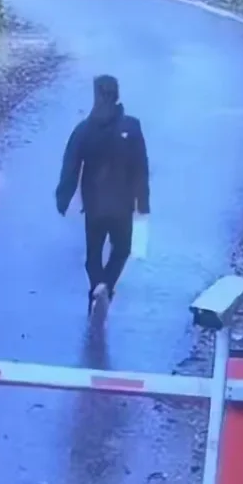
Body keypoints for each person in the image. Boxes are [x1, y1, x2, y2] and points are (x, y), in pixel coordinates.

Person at [55, 75, 150, 317]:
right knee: (122, 249)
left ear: (96, 96)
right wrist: (142, 201)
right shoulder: (132, 126)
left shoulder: (84, 130)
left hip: (95, 206)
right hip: (122, 205)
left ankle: (97, 287)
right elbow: (141, 167)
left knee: (93, 254)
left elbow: (71, 165)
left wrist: (63, 197)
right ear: (116, 95)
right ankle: (106, 286)